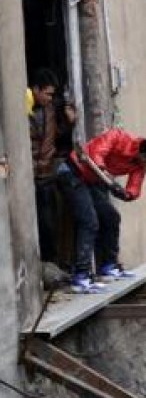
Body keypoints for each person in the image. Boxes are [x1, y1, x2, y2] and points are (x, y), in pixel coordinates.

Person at [57, 129, 146, 293]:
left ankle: (109, 266)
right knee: (89, 221)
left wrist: (125, 194)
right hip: (72, 173)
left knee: (111, 217)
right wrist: (106, 176)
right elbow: (97, 153)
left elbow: (134, 188)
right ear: (145, 156)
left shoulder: (139, 165)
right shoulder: (118, 136)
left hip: (91, 181)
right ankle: (80, 276)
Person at [27, 69, 62, 264]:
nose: (50, 98)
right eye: (47, 94)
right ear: (35, 89)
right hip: (31, 176)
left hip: (47, 175)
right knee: (36, 223)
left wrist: (69, 123)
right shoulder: (24, 109)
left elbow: (55, 136)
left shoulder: (50, 109)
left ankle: (51, 262)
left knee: (50, 223)